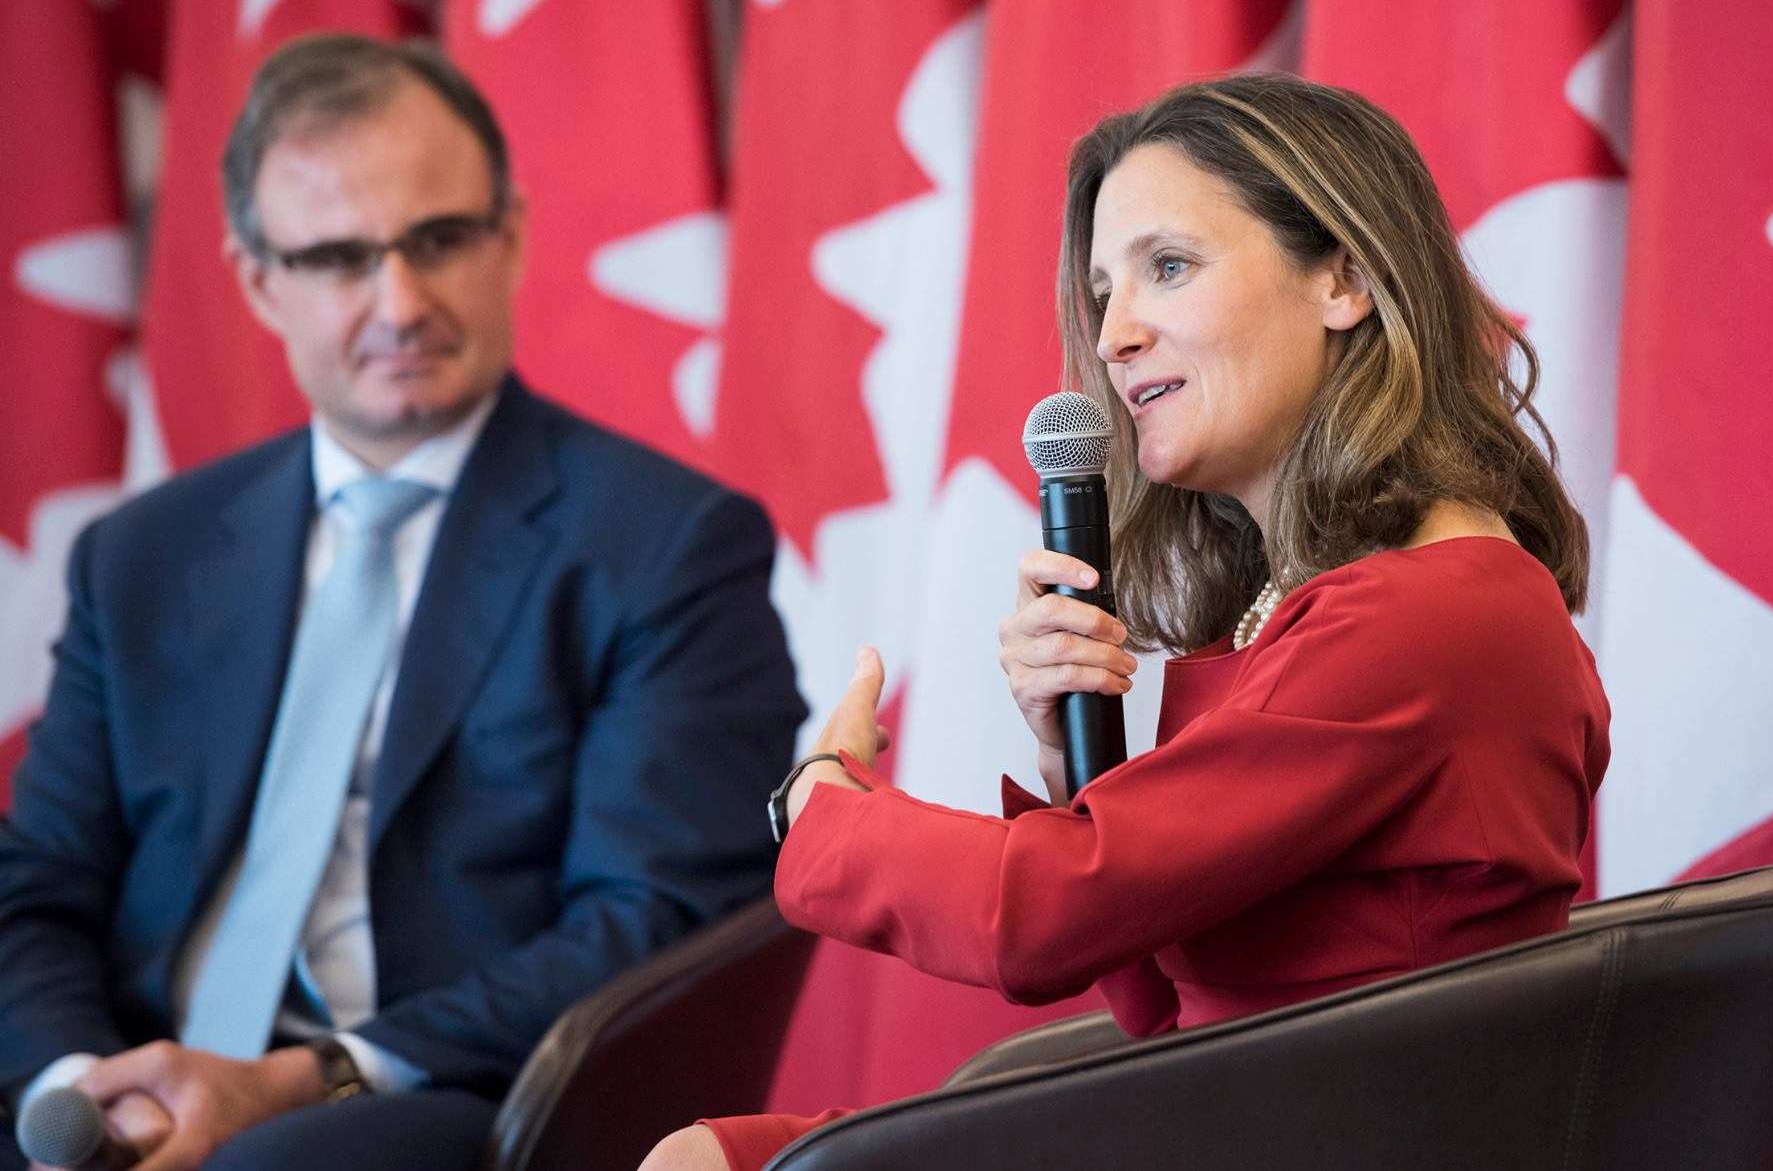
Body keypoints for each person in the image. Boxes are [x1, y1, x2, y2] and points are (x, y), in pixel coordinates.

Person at [641, 73, 1612, 1170]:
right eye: (1104, 292)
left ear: (1343, 278)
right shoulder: (1364, 600)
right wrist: (1076, 753)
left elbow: (1038, 919)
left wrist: (820, 805)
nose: (1111, 336)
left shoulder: (1430, 613)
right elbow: (1165, 996)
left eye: (1169, 267)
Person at [0, 34, 807, 1171]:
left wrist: (303, 1080)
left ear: (508, 235)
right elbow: (36, 886)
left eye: (438, 240)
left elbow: (653, 921)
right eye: (340, 258)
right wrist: (79, 1098)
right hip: (133, 1082)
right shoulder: (140, 557)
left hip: (442, 1096)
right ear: (258, 281)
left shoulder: (667, 548)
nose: (401, 302)